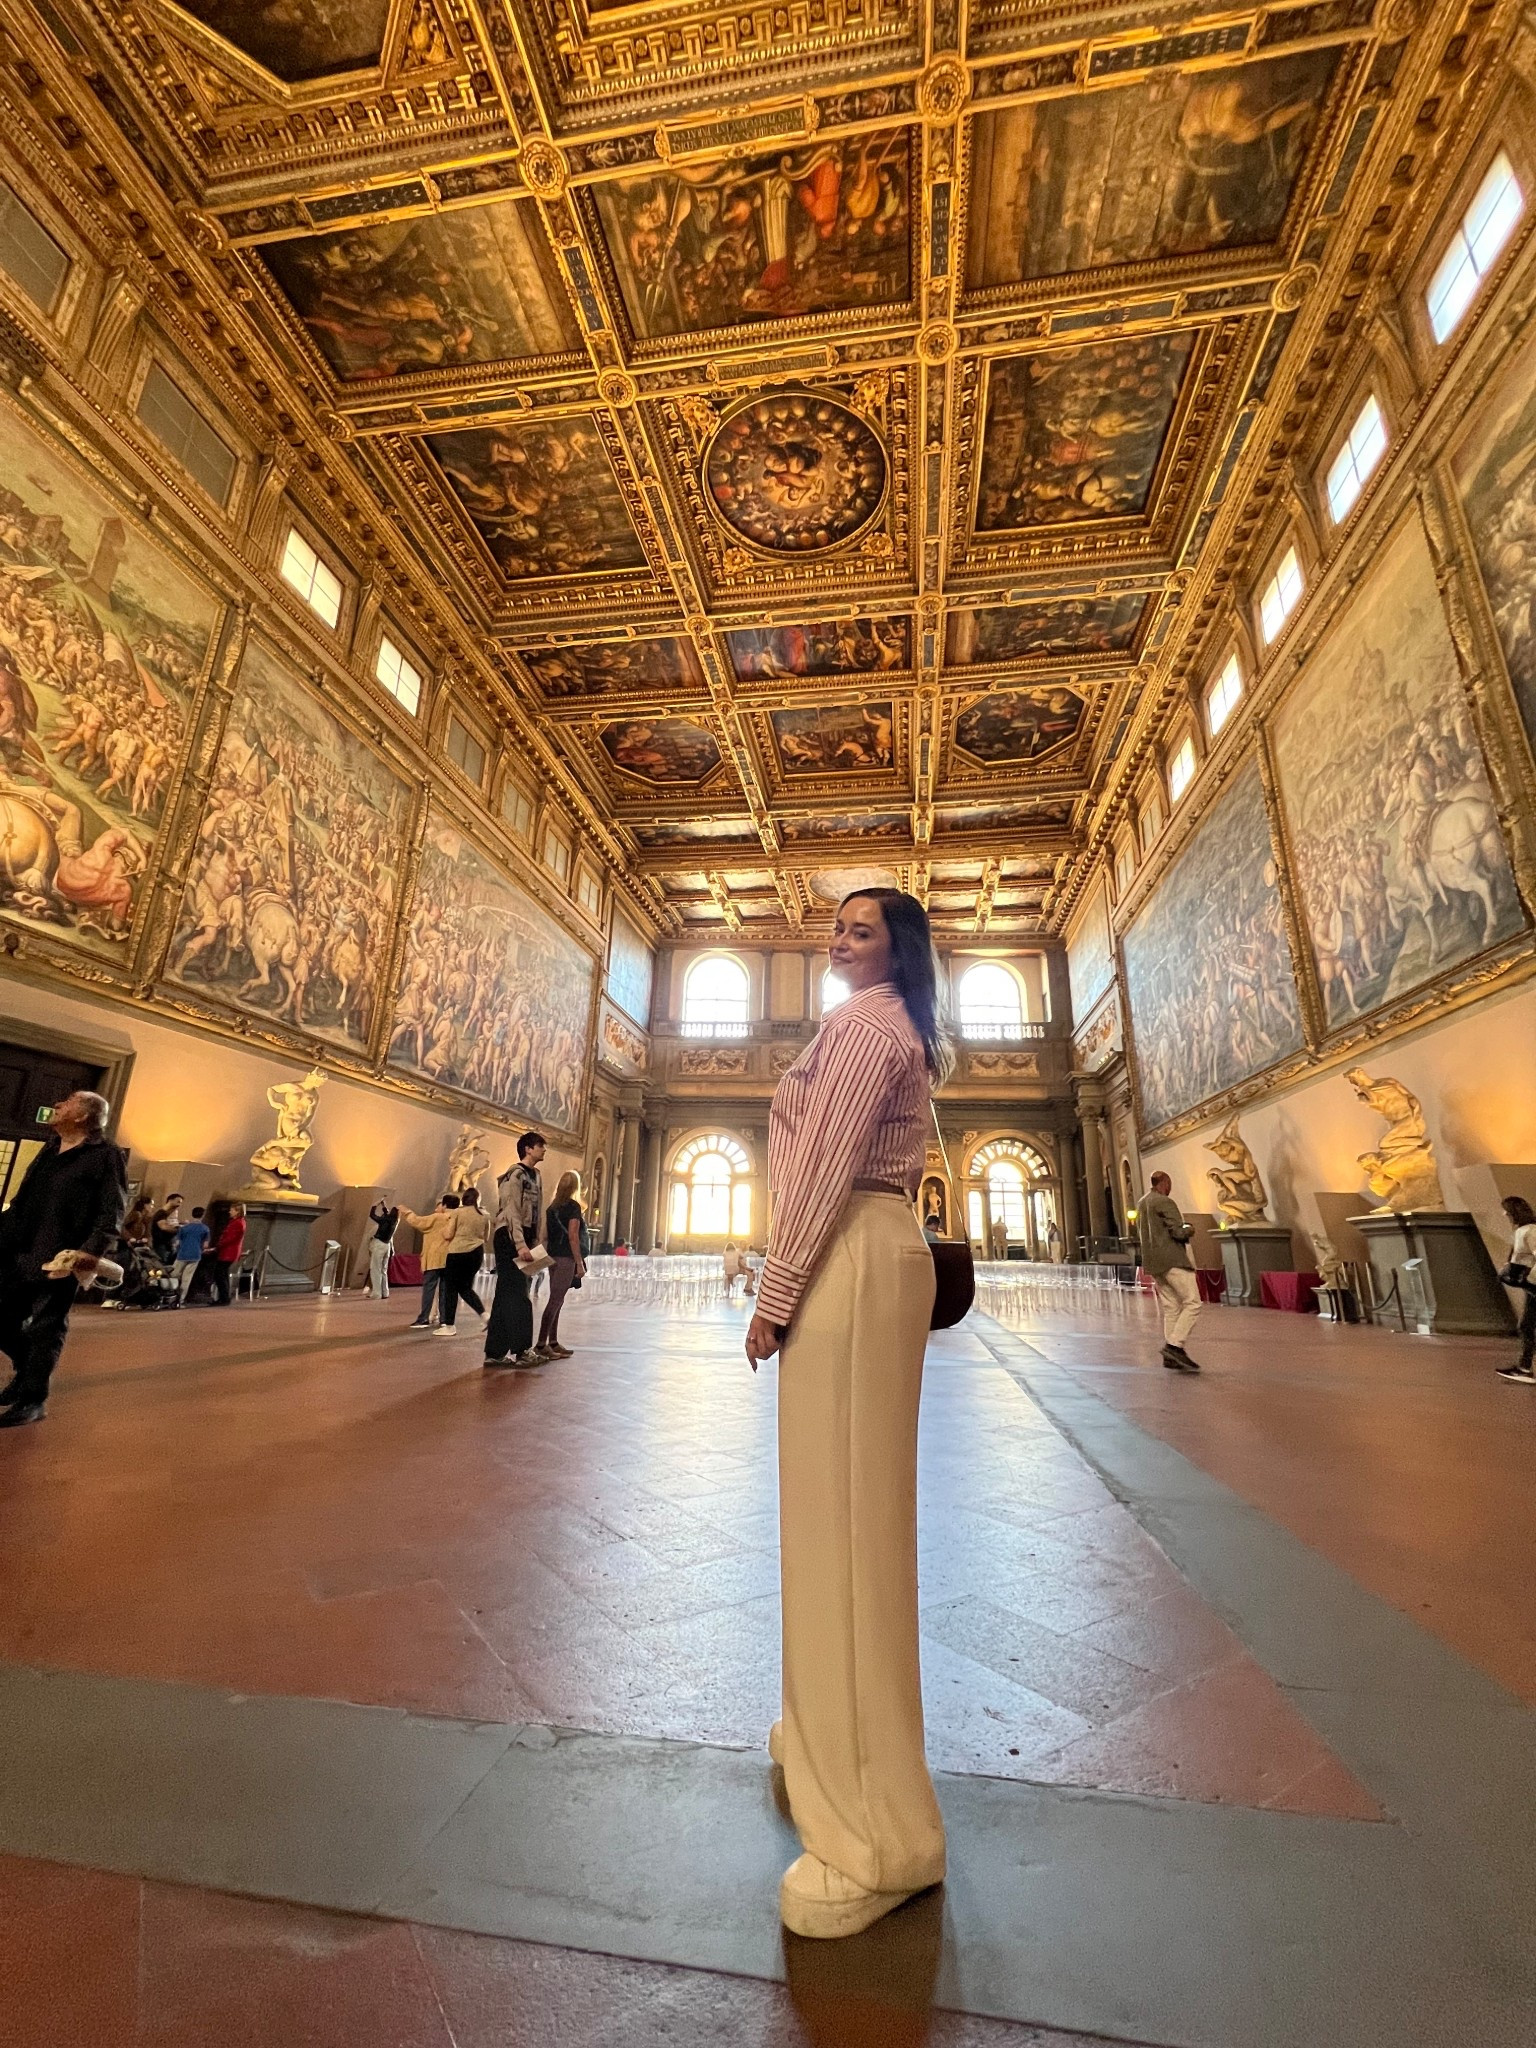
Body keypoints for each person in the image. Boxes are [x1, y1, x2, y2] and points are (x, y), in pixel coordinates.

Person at [745, 888, 949, 1941]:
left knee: (848, 1528)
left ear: (897, 947)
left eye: (861, 928)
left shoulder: (867, 1023)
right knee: (832, 1513)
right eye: (836, 926)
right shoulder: (881, 1022)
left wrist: (775, 1292)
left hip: (848, 1252)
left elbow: (822, 1166)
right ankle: (816, 1728)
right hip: (862, 1249)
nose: (839, 938)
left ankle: (878, 1837)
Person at [0, 1089, 127, 1427]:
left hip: (62, 1257)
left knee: (47, 1327)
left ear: (84, 1116)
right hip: (20, 1249)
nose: (57, 1105)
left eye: (67, 1102)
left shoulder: (105, 1154)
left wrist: (91, 1250)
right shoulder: (51, 1148)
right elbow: (23, 1200)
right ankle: (28, 1372)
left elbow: (112, 1208)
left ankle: (32, 1398)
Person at [485, 1132, 546, 1369]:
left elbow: (537, 1212)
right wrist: (520, 1243)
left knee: (504, 1295)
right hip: (509, 1237)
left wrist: (535, 1242)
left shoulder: (536, 1176)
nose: (544, 1149)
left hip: (525, 1238)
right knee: (519, 1294)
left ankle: (495, 1352)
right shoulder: (515, 1174)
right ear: (528, 1149)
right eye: (540, 1145)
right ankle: (522, 1351)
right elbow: (511, 1211)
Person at [1136, 1172, 1201, 1372]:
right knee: (1193, 1302)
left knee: (1171, 1306)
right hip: (1173, 1260)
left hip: (1154, 1263)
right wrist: (1189, 1228)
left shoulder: (1141, 1203)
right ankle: (1174, 1346)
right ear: (1164, 1183)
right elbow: (1178, 1231)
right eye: (1169, 1184)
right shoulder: (1164, 1201)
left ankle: (1171, 1356)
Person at [535, 1172, 586, 1359]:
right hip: (566, 1257)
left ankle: (553, 1342)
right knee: (555, 1300)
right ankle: (541, 1344)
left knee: (558, 1299)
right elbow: (573, 1236)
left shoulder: (551, 1208)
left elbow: (545, 1235)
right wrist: (579, 1263)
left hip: (552, 1256)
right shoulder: (573, 1207)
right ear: (575, 1187)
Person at [435, 1186, 490, 1337]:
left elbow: (448, 1234)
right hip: (476, 1253)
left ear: (464, 1199)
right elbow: (486, 1237)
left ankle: (449, 1325)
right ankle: (485, 1315)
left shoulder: (458, 1212)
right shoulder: (485, 1215)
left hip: (457, 1253)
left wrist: (442, 1230)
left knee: (451, 1289)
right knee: (465, 1287)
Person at [401, 1193, 458, 1327]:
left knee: (429, 1289)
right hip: (450, 1258)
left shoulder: (437, 1217)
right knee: (445, 1290)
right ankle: (445, 1319)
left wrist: (406, 1212)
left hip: (434, 1258)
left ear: (444, 1205)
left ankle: (423, 1318)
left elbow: (418, 1221)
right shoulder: (457, 1218)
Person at [1496, 1194, 1536, 1384]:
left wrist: (1529, 1279)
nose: (1504, 1214)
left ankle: (1525, 1367)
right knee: (1526, 1325)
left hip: (1534, 1285)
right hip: (1531, 1286)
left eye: (1506, 1210)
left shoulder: (1530, 1230)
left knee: (1527, 1325)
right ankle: (1524, 1367)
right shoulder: (1522, 1231)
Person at [171, 1206, 211, 1302]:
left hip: (182, 1254)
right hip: (196, 1255)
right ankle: (181, 1299)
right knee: (187, 1278)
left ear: (192, 1214)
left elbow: (177, 1242)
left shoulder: (184, 1228)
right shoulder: (205, 1229)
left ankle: (170, 1295)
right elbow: (205, 1245)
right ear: (202, 1215)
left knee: (174, 1275)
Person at [212, 1201, 246, 1304]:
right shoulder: (239, 1222)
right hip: (229, 1251)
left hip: (228, 1252)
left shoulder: (237, 1223)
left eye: (231, 1210)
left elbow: (229, 1238)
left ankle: (224, 1298)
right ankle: (224, 1297)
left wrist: (217, 1247)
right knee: (223, 1274)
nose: (229, 1211)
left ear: (237, 1211)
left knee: (219, 1274)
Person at [366, 1197, 399, 1300]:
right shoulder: (394, 1221)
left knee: (375, 1269)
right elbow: (387, 1214)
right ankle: (385, 1292)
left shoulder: (385, 1220)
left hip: (379, 1244)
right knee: (383, 1270)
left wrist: (374, 1205)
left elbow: (372, 1215)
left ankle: (376, 1293)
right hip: (387, 1245)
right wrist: (384, 1206)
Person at [150, 1194, 182, 1265]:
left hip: (168, 1245)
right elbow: (164, 1227)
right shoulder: (161, 1214)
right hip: (161, 1245)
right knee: (160, 1264)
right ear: (170, 1201)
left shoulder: (169, 1215)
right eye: (178, 1202)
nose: (179, 1205)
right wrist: (179, 1230)